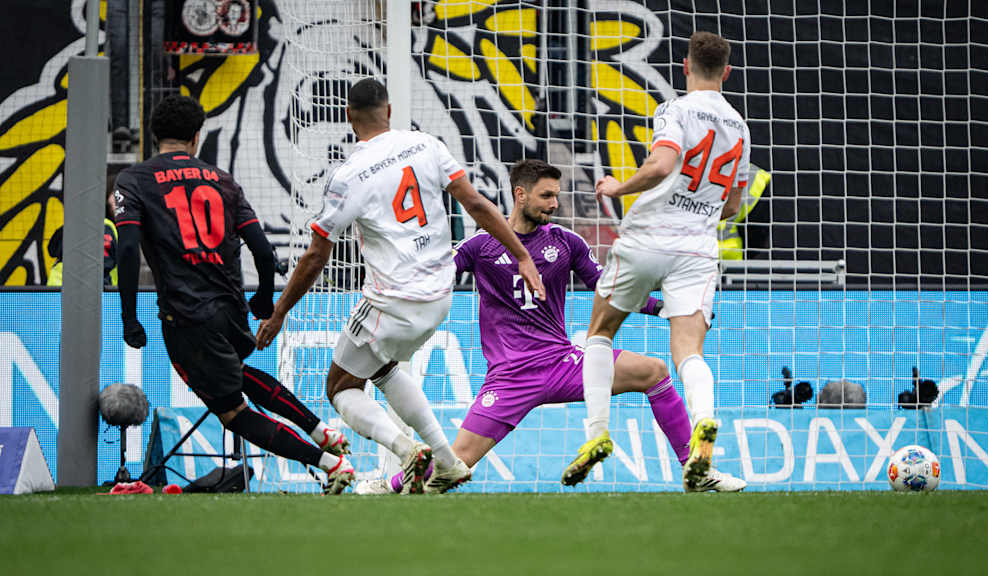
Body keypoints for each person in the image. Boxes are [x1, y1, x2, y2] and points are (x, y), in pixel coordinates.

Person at [355, 159, 747, 494]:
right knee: (457, 463)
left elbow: (607, 288)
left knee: (655, 371)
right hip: (510, 377)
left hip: (563, 363)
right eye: (546, 196)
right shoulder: (479, 246)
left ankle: (698, 472)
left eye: (556, 196)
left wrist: (664, 309)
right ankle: (386, 485)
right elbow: (437, 279)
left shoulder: (566, 243)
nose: (554, 204)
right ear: (520, 195)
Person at [254, 78, 544, 494]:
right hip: (441, 296)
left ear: (350, 117)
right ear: (389, 111)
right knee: (385, 367)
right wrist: (521, 255)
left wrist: (279, 312)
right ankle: (449, 462)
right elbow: (478, 204)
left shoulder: (348, 176)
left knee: (340, 387)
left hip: (393, 302)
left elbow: (316, 255)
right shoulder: (427, 145)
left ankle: (408, 452)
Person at [114, 95, 355, 494]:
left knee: (233, 412)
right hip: (230, 306)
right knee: (239, 374)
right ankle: (320, 431)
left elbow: (126, 249)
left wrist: (128, 315)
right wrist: (263, 297)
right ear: (196, 136)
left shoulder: (134, 180)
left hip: (186, 313)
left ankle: (329, 463)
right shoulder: (222, 180)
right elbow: (263, 250)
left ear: (155, 136)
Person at [567, 31, 750, 492]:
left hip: (648, 237)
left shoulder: (675, 110)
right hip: (697, 249)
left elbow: (663, 165)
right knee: (688, 350)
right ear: (726, 72)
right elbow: (733, 204)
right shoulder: (740, 127)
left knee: (600, 333)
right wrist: (703, 208)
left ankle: (596, 435)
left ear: (685, 66)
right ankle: (704, 427)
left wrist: (618, 187)